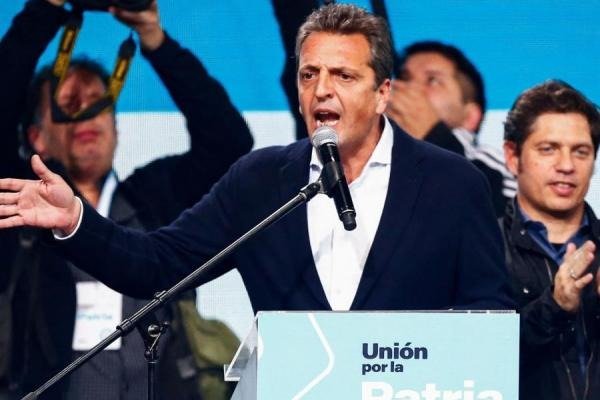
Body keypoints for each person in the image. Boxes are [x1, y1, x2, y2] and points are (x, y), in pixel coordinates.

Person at [0, 3, 512, 323]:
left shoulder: (452, 182)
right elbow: (155, 266)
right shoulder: (262, 181)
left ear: (382, 93)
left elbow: (490, 315)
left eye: (343, 76)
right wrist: (75, 221)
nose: (322, 90)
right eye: (309, 74)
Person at [0, 0, 252, 399]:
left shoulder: (155, 198)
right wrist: (45, 10)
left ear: (116, 128)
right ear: (36, 137)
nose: (87, 117)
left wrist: (154, 37)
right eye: (70, 105)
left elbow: (229, 143)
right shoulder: (21, 208)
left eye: (99, 103)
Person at [501, 80, 600, 399]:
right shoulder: (482, 249)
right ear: (512, 156)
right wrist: (555, 306)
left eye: (581, 152)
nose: (567, 166)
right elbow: (472, 357)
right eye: (548, 149)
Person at [387, 41, 516, 216]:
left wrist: (433, 136)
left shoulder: (493, 166)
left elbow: (501, 221)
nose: (410, 89)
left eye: (433, 80)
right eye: (405, 77)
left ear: (470, 116)